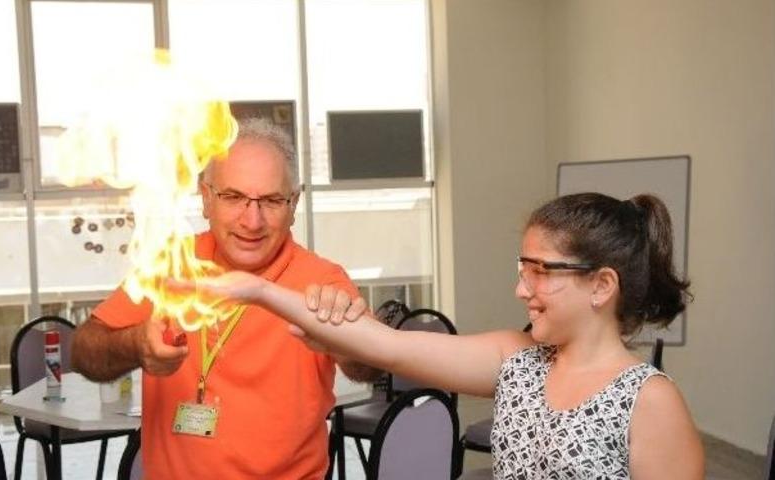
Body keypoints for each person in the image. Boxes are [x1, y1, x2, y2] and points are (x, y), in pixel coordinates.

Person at [182, 192, 706, 479]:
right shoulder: (516, 359)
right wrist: (258, 291)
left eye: (540, 272)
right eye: (521, 269)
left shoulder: (649, 402)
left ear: (601, 285)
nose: (521, 289)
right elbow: (384, 344)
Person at [71, 117, 376, 479]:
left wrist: (344, 341)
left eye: (272, 200)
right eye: (233, 197)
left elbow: (370, 368)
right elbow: (84, 351)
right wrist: (136, 343)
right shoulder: (171, 264)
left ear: (293, 203)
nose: (252, 220)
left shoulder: (322, 281)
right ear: (206, 198)